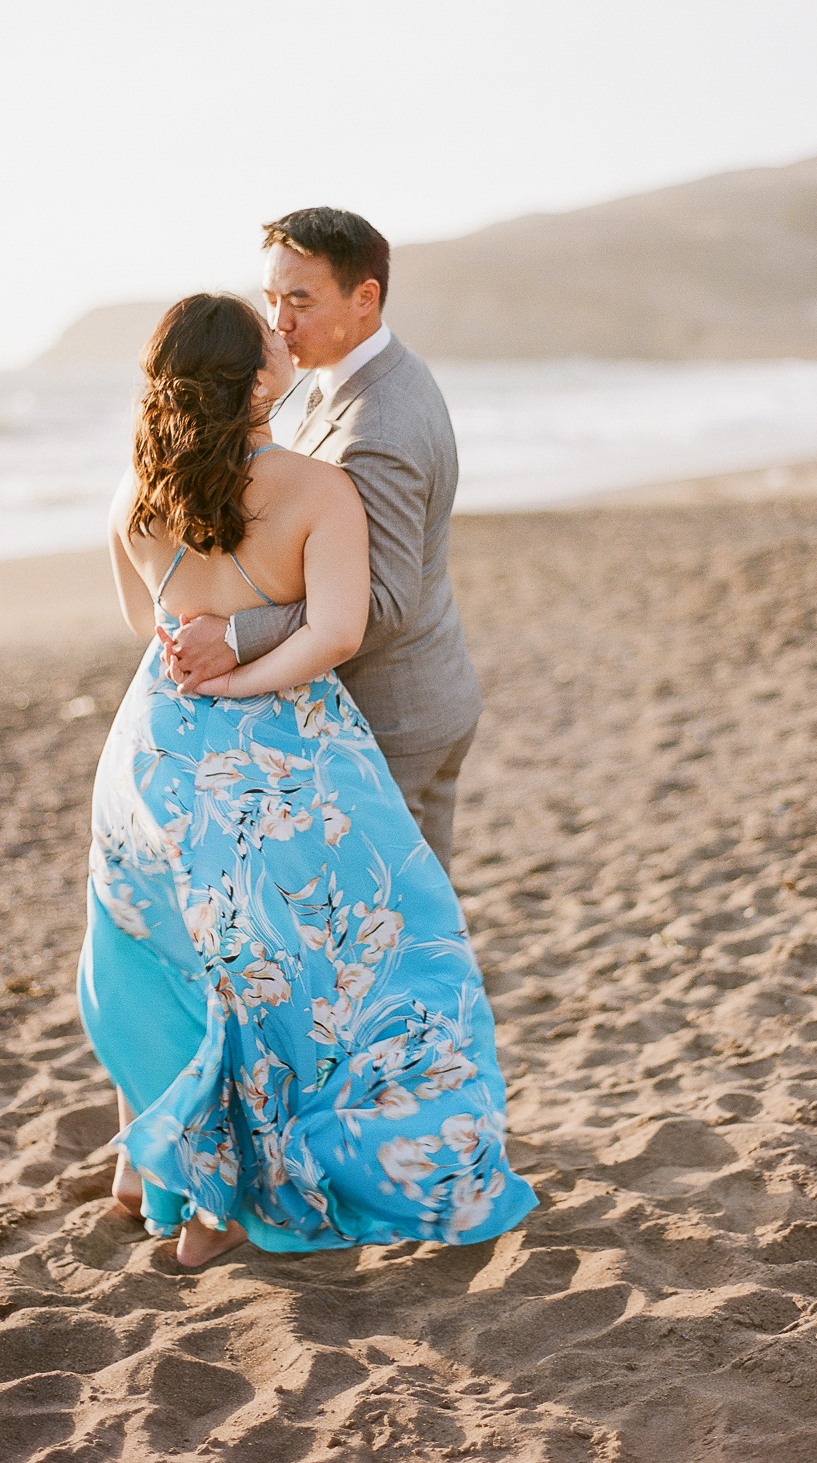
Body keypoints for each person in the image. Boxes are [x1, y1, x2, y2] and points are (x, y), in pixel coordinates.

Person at [78, 292, 536, 1269]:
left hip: (153, 751)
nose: (284, 339)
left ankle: (147, 1175)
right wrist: (243, 675)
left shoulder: (134, 492)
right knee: (315, 965)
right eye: (267, 337)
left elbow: (139, 627)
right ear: (256, 381)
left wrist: (203, 659)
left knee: (167, 957)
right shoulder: (316, 488)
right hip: (275, 755)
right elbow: (337, 631)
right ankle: (217, 1206)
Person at [163, 208, 482, 874]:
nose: (278, 324)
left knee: (399, 928)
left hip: (397, 716)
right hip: (426, 689)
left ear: (365, 298)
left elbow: (384, 603)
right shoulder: (357, 374)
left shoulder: (378, 428)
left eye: (300, 301)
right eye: (272, 298)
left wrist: (233, 635)